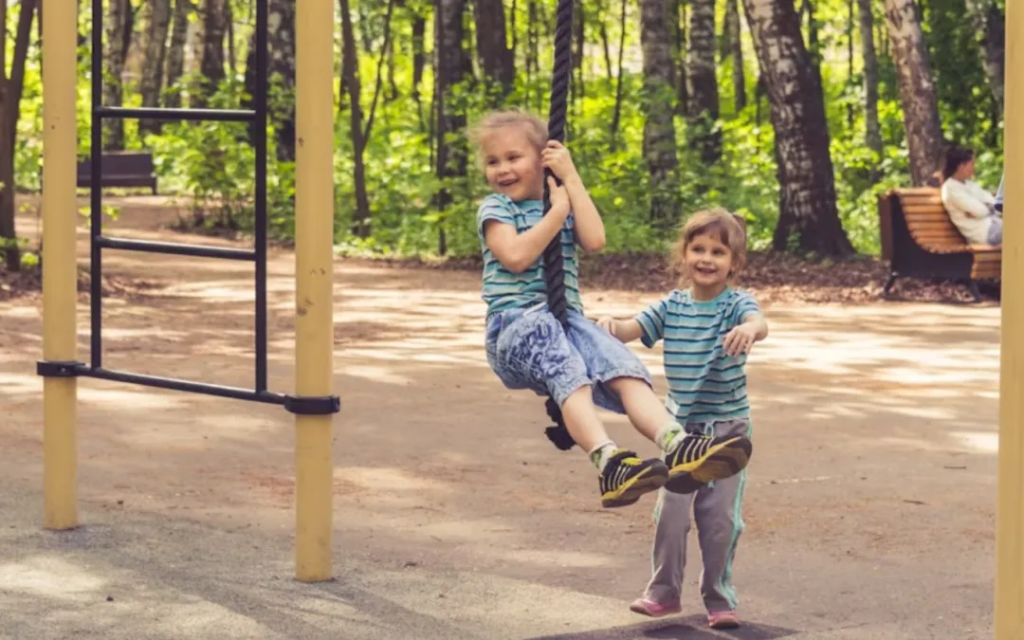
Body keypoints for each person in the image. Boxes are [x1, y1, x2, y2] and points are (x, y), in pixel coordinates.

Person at [468, 109, 752, 509]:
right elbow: (515, 257)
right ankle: (608, 460)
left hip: (564, 322)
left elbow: (596, 239)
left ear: (544, 159)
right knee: (570, 372)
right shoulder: (497, 208)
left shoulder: (560, 200)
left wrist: (571, 180)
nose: (502, 169)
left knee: (623, 366)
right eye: (493, 161)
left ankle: (677, 444)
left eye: (513, 157)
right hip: (515, 326)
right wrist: (556, 214)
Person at [597, 208, 767, 630]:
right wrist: (605, 325)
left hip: (727, 432)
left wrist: (751, 330)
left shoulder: (736, 305)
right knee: (670, 514)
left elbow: (758, 321)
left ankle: (718, 597)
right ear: (684, 254)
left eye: (718, 251)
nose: (707, 259)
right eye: (698, 249)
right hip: (679, 433)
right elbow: (630, 328)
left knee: (719, 520)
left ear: (734, 263)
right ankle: (663, 592)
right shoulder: (672, 305)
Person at [940, 145, 1002, 245]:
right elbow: (981, 211)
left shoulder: (970, 185)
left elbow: (994, 204)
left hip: (995, 225)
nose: (974, 167)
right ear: (961, 166)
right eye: (972, 164)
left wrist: (986, 208)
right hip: (985, 233)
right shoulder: (951, 189)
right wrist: (987, 208)